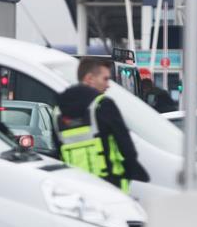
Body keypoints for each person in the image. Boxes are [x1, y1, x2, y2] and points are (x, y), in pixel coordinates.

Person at [55, 58, 149, 192]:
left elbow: (58, 150)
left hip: (75, 188)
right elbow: (125, 145)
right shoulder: (103, 105)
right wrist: (135, 171)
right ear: (89, 79)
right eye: (105, 79)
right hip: (109, 186)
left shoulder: (58, 111)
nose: (108, 85)